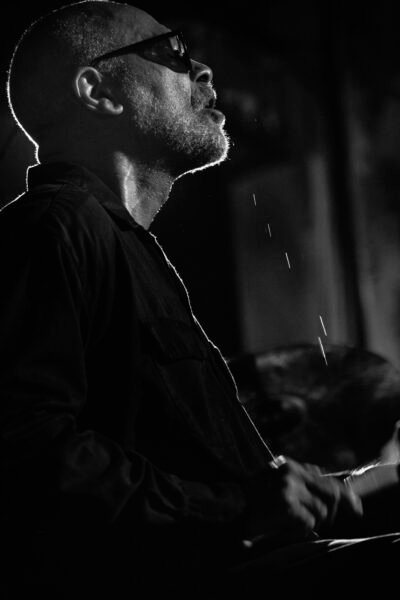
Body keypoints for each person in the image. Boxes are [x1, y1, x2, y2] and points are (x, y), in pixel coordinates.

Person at [1, 2, 400, 598]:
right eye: (174, 54)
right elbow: (23, 451)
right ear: (97, 91)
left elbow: (221, 488)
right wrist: (237, 510)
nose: (203, 71)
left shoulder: (124, 249)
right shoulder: (53, 228)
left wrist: (340, 491)